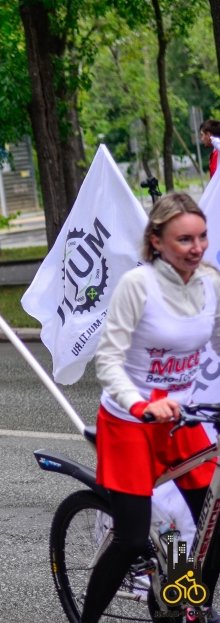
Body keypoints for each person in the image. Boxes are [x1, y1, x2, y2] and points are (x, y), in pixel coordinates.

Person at [83, 192, 220, 622]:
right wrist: (140, 404)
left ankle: (188, 603)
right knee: (132, 538)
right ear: (156, 241)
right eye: (184, 240)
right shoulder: (137, 286)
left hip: (181, 419)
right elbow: (108, 360)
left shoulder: (211, 283)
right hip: (131, 422)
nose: (196, 248)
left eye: (201, 237)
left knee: (212, 525)